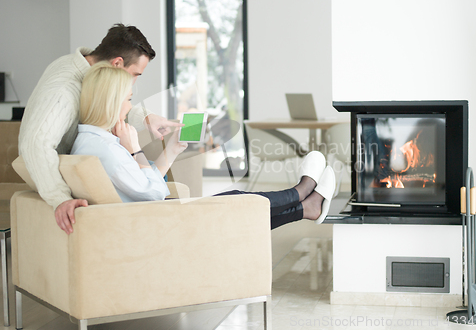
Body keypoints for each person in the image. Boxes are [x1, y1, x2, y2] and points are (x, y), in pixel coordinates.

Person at [69, 62, 336, 234]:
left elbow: (141, 182)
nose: (129, 108)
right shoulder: (104, 149)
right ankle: (301, 193)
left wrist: (172, 148)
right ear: (111, 102)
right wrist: (135, 149)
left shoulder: (95, 141)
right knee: (237, 203)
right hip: (155, 224)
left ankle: (306, 207)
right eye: (127, 100)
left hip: (154, 217)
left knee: (236, 203)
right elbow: (152, 192)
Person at [19, 24, 182, 233]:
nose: (132, 82)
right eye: (135, 74)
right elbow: (35, 144)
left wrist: (147, 118)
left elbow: (106, 101)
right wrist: (59, 198)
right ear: (116, 64)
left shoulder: (76, 67)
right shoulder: (65, 90)